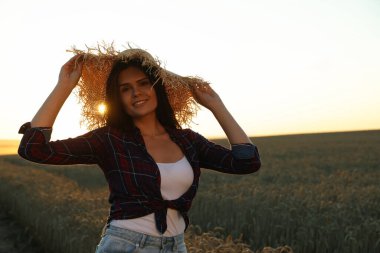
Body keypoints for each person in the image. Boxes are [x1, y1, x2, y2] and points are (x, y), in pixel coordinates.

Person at [18, 45, 261, 253]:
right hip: (125, 245)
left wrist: (216, 106)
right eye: (125, 88)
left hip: (176, 246)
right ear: (118, 98)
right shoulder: (110, 140)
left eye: (143, 83)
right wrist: (64, 86)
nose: (136, 92)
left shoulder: (188, 141)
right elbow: (34, 149)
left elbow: (246, 162)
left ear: (157, 88)